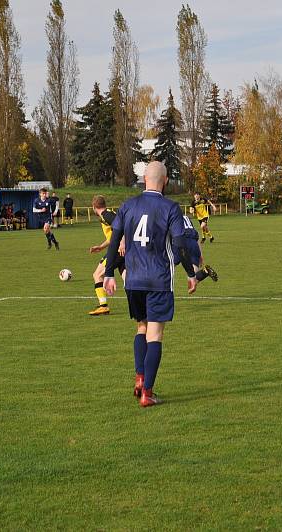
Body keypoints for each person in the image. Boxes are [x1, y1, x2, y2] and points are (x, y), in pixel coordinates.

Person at [104, 161, 199, 408]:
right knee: (155, 335)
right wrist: (191, 273)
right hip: (159, 280)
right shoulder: (171, 207)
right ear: (165, 180)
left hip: (133, 280)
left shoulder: (127, 206)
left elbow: (115, 241)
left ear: (144, 178)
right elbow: (179, 243)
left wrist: (108, 273)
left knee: (141, 328)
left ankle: (139, 377)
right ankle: (147, 392)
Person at [88, 195, 126, 316]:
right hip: (122, 249)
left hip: (118, 250)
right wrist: (101, 246)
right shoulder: (106, 214)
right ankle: (144, 302)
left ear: (94, 207)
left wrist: (122, 243)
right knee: (127, 277)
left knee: (97, 274)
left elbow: (122, 228)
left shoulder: (106, 215)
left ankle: (103, 305)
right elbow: (112, 236)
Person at [174, 213, 219, 283]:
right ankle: (205, 272)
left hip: (180, 242)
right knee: (192, 281)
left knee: (165, 270)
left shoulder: (168, 216)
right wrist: (200, 255)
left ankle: (160, 291)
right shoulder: (186, 218)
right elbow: (196, 237)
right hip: (193, 244)